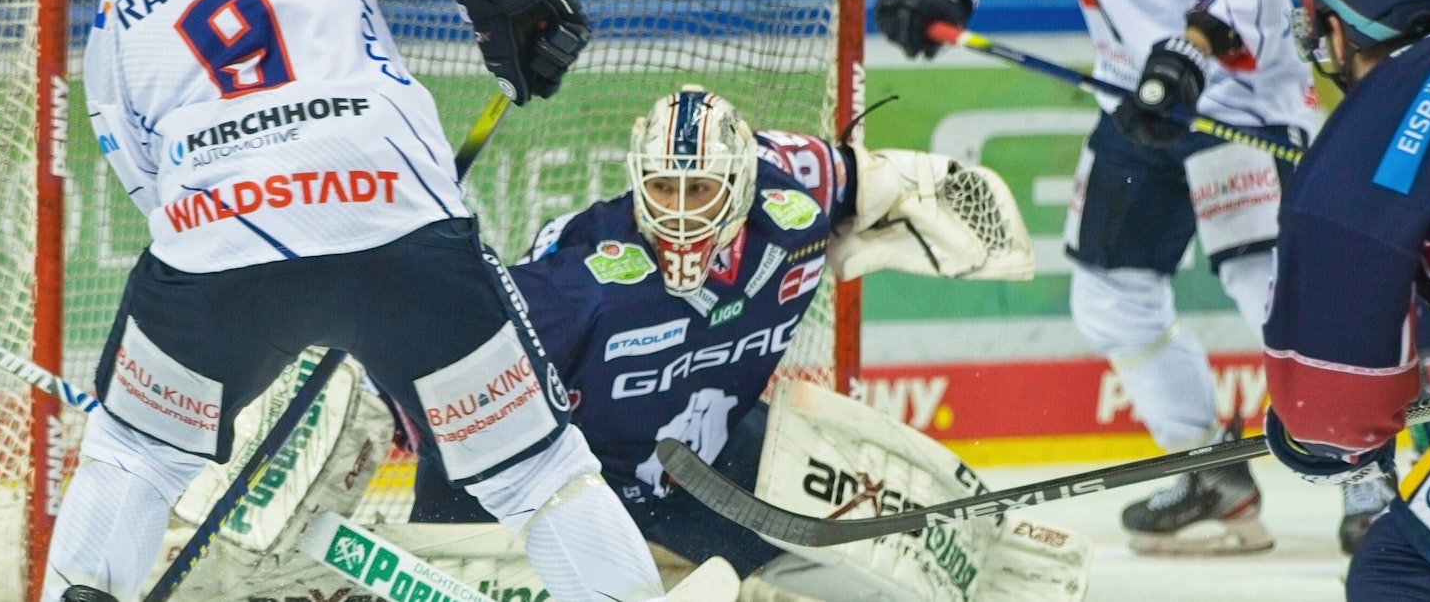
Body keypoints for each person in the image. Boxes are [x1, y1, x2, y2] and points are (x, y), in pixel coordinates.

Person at [46, 0, 678, 600]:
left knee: (134, 454)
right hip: (395, 229)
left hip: (217, 244)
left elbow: (143, 174)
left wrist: (256, 226)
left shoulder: (116, 8)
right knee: (538, 471)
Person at [400, 86, 1085, 601]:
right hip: (580, 489)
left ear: (741, 183)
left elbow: (882, 179)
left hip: (701, 466)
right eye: (662, 188)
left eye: (699, 188)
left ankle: (967, 551)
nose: (678, 212)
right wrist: (384, 389)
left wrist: (915, 198)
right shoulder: (584, 280)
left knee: (843, 563)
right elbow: (452, 371)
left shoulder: (797, 203)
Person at [874, 0, 1333, 554]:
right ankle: (1210, 472)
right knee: (1109, 298)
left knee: (1273, 293)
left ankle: (1366, 477)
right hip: (1136, 97)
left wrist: (1192, 46)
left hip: (1239, 99)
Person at [1262, 0, 1430, 599]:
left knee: (1405, 572)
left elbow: (1334, 418)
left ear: (1336, 31)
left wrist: (1311, 443)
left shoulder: (1361, 147)